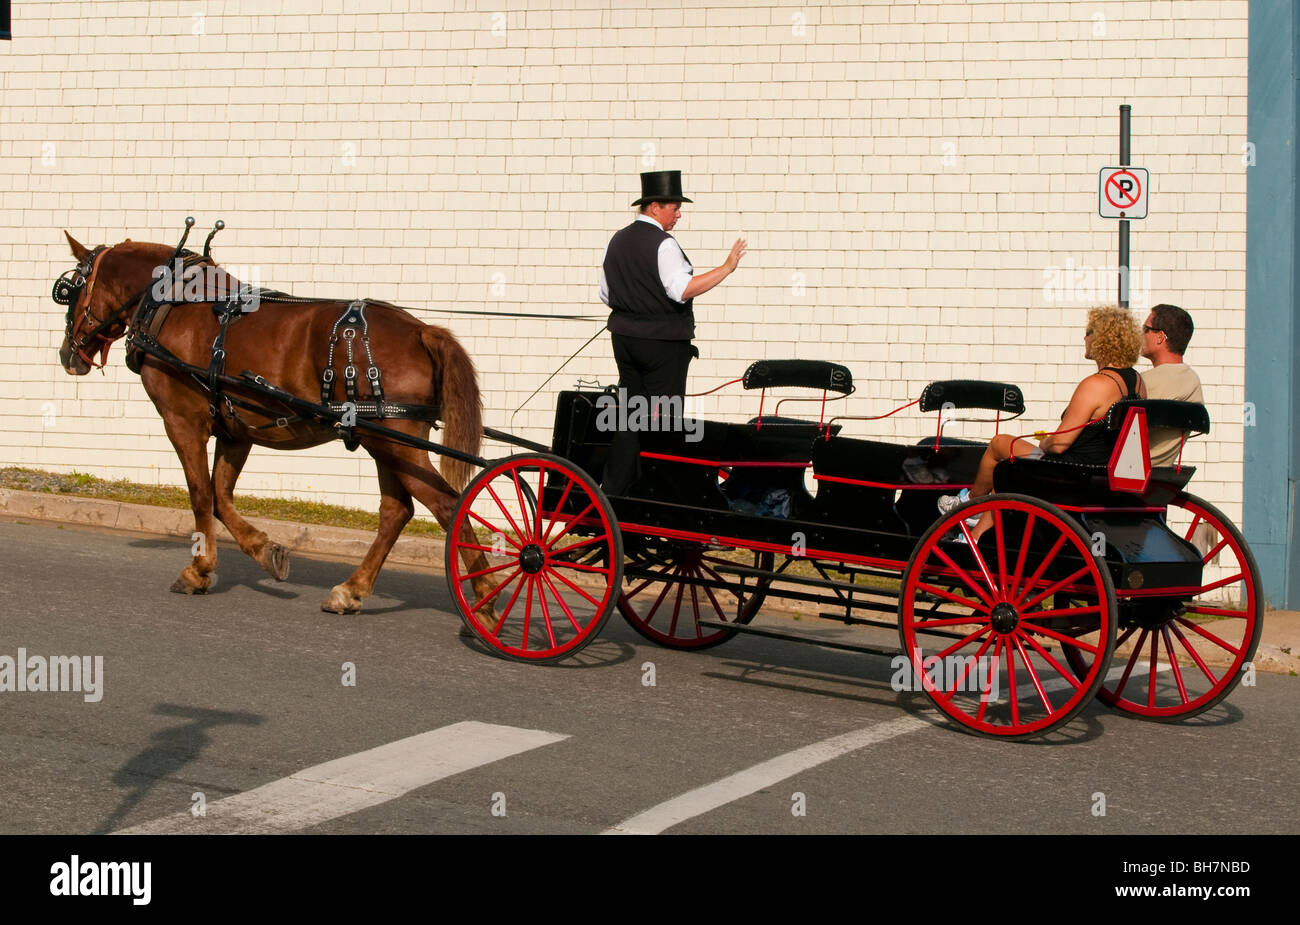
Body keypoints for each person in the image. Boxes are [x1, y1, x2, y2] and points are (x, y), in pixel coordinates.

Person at [940, 305, 1147, 541]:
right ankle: (975, 532)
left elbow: (1060, 445)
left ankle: (969, 505)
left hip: (1072, 473)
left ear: (1103, 338)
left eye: (1089, 331)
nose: (1085, 337)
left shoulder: (1097, 384)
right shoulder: (1138, 383)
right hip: (1103, 474)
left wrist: (1047, 442)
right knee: (1010, 467)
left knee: (1000, 443)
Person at [598, 170, 746, 495]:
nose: (679, 214)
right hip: (661, 346)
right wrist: (726, 268)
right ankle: (661, 494)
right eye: (674, 207)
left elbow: (606, 294)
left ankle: (615, 489)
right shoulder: (664, 245)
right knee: (663, 418)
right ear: (654, 207)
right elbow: (682, 290)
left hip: (624, 340)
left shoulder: (618, 240)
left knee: (630, 415)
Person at [1139, 303, 1203, 466]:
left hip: (1119, 474)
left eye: (1145, 329)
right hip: (1160, 477)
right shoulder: (1192, 381)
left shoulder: (1142, 382)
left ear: (1160, 337)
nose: (1141, 334)